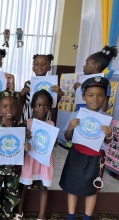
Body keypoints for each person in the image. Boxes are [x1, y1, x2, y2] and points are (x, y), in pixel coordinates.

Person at [59, 76, 113, 220]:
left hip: (95, 158)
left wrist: (109, 134)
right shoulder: (76, 115)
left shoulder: (106, 119)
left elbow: (107, 142)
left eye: (100, 95)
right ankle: (71, 216)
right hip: (76, 155)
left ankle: (87, 217)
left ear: (104, 97)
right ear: (83, 96)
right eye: (90, 95)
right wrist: (70, 127)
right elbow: (68, 137)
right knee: (72, 186)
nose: (95, 99)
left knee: (91, 190)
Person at [0, 90, 31, 220]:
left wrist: (27, 147)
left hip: (14, 169)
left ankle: (7, 215)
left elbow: (24, 145)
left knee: (12, 193)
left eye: (12, 106)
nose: (9, 109)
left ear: (17, 107)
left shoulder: (20, 127)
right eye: (4, 106)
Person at [14, 90, 55, 220]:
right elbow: (19, 140)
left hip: (44, 160)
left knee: (44, 187)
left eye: (46, 105)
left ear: (49, 107)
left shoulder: (51, 124)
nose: (42, 109)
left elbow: (52, 143)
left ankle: (41, 215)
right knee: (24, 186)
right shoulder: (28, 123)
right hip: (30, 159)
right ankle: (19, 212)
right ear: (32, 106)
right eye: (38, 105)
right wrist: (23, 136)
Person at [19, 54, 63, 123]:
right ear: (33, 68)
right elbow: (23, 102)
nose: (40, 66)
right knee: (26, 132)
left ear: (49, 68)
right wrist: (22, 94)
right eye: (36, 64)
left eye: (44, 64)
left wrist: (60, 94)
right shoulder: (28, 83)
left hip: (44, 116)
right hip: (28, 115)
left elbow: (54, 103)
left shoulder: (53, 85)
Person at [73, 45, 117, 112]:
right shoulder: (82, 79)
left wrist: (100, 116)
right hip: (80, 112)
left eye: (87, 64)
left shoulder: (104, 81)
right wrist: (76, 88)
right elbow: (81, 95)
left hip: (93, 115)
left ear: (95, 66)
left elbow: (105, 102)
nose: (84, 66)